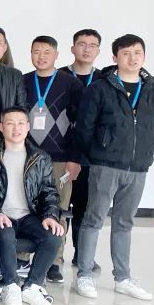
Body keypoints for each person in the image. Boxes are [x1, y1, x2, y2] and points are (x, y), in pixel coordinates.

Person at [71, 34, 154, 301]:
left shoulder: (153, 89)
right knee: (93, 219)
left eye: (137, 53)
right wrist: (95, 153)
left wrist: (148, 152)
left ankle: (123, 277)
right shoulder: (100, 88)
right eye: (126, 53)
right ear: (115, 57)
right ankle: (84, 275)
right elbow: (85, 127)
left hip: (138, 167)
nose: (132, 58)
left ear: (143, 56)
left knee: (124, 223)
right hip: (105, 165)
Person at [0, 107, 64, 305]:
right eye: (10, 123)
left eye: (20, 123)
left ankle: (32, 286)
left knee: (53, 236)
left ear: (27, 127)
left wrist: (50, 215)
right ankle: (10, 285)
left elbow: (49, 191)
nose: (16, 128)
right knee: (5, 233)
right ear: (1, 127)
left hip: (28, 216)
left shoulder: (40, 158)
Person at [23, 35, 82, 283]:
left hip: (60, 158)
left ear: (57, 55)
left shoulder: (71, 84)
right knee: (25, 205)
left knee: (58, 208)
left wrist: (75, 158)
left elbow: (80, 125)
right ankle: (22, 256)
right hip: (27, 156)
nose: (41, 56)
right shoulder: (23, 81)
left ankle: (54, 261)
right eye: (36, 51)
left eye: (47, 52)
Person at [61, 28, 101, 266]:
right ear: (72, 48)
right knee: (60, 205)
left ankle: (82, 255)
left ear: (98, 51)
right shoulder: (60, 76)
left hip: (91, 155)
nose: (86, 49)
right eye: (82, 44)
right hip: (61, 151)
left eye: (92, 45)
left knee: (85, 207)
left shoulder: (104, 80)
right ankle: (54, 258)